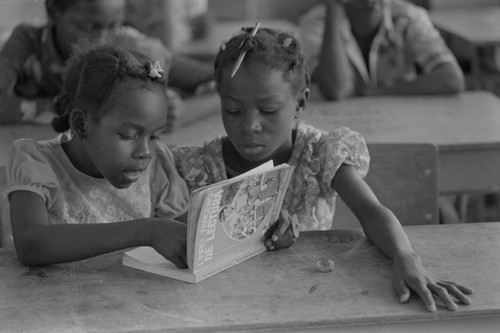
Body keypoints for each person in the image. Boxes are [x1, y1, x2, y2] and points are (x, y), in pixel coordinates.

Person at [172, 25, 474, 312]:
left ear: (301, 103)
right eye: (233, 111)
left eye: (268, 110)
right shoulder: (198, 165)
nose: (249, 126)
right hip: (222, 305)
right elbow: (168, 233)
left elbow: (371, 211)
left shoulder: (318, 153)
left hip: (312, 297)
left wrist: (405, 256)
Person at [4, 44, 190, 268]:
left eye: (154, 136)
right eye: (128, 135)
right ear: (82, 125)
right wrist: (146, 230)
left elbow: (189, 244)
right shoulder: (36, 163)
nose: (145, 152)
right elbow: (31, 245)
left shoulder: (158, 168)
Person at [0, 0, 213, 125]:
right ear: (53, 11)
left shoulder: (126, 42)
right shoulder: (26, 42)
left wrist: (167, 100)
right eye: (91, 25)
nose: (102, 39)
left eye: (113, 25)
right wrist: (67, 106)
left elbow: (199, 75)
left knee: (220, 76)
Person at [298, 0, 465, 100]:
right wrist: (333, 7)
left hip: (400, 124)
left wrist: (378, 93)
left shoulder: (409, 17)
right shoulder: (316, 23)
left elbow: (452, 79)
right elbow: (336, 89)